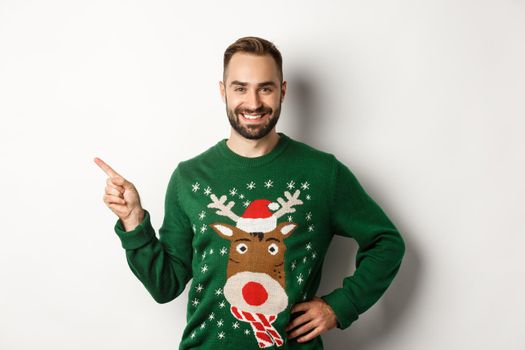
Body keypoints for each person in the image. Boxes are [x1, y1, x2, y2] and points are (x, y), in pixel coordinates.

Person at [94, 36, 405, 350]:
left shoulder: (323, 173)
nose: (253, 103)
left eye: (265, 88)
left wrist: (340, 306)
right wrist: (134, 222)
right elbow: (165, 286)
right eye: (240, 88)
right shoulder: (189, 177)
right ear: (223, 92)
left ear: (282, 91)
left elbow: (386, 242)